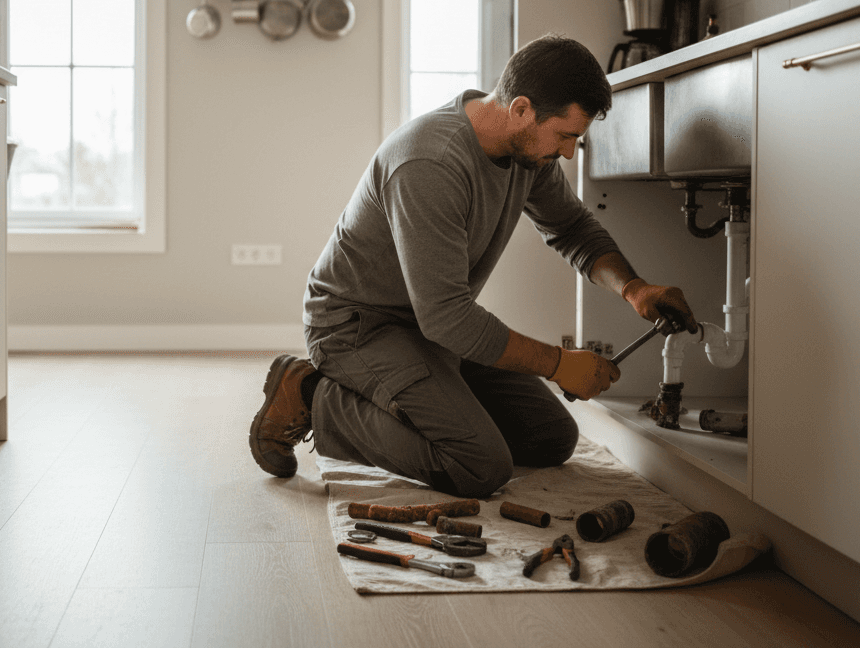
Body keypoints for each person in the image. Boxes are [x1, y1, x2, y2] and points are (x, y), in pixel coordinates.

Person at [248, 34, 698, 498]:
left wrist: (635, 289)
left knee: (551, 438)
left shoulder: (527, 152)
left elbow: (572, 228)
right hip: (356, 327)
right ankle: (312, 395)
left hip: (428, 328)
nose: (568, 152)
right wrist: (559, 364)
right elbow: (448, 317)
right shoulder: (429, 162)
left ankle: (423, 401)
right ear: (521, 109)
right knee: (478, 466)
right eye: (565, 136)